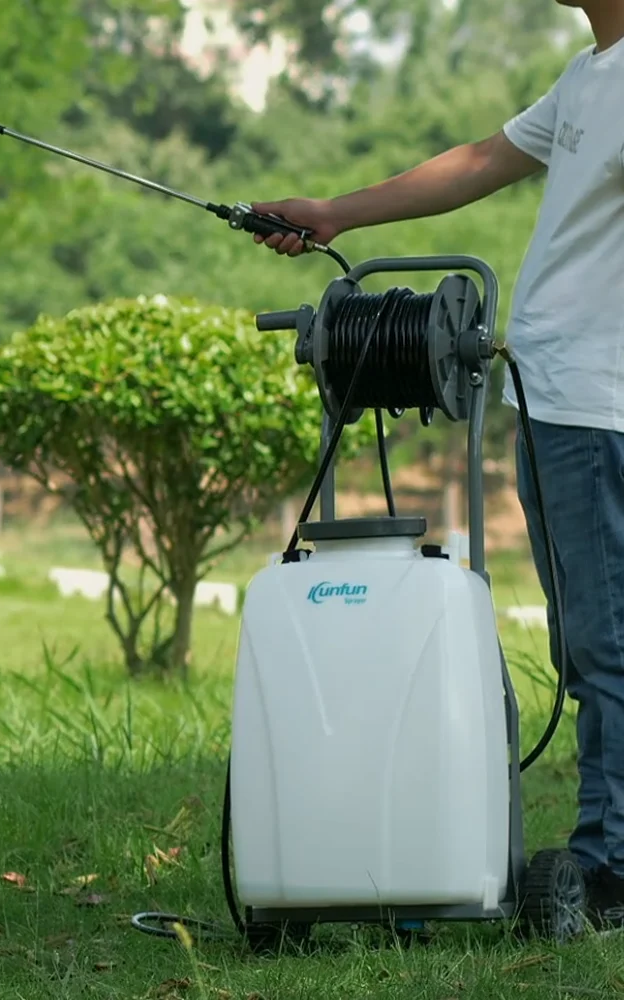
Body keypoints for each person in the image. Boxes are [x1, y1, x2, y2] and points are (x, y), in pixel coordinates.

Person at [252, 0, 624, 931]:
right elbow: (478, 165)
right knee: (592, 636)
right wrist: (332, 214)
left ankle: (608, 866)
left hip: (597, 403)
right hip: (557, 399)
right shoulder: (591, 75)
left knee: (605, 641)